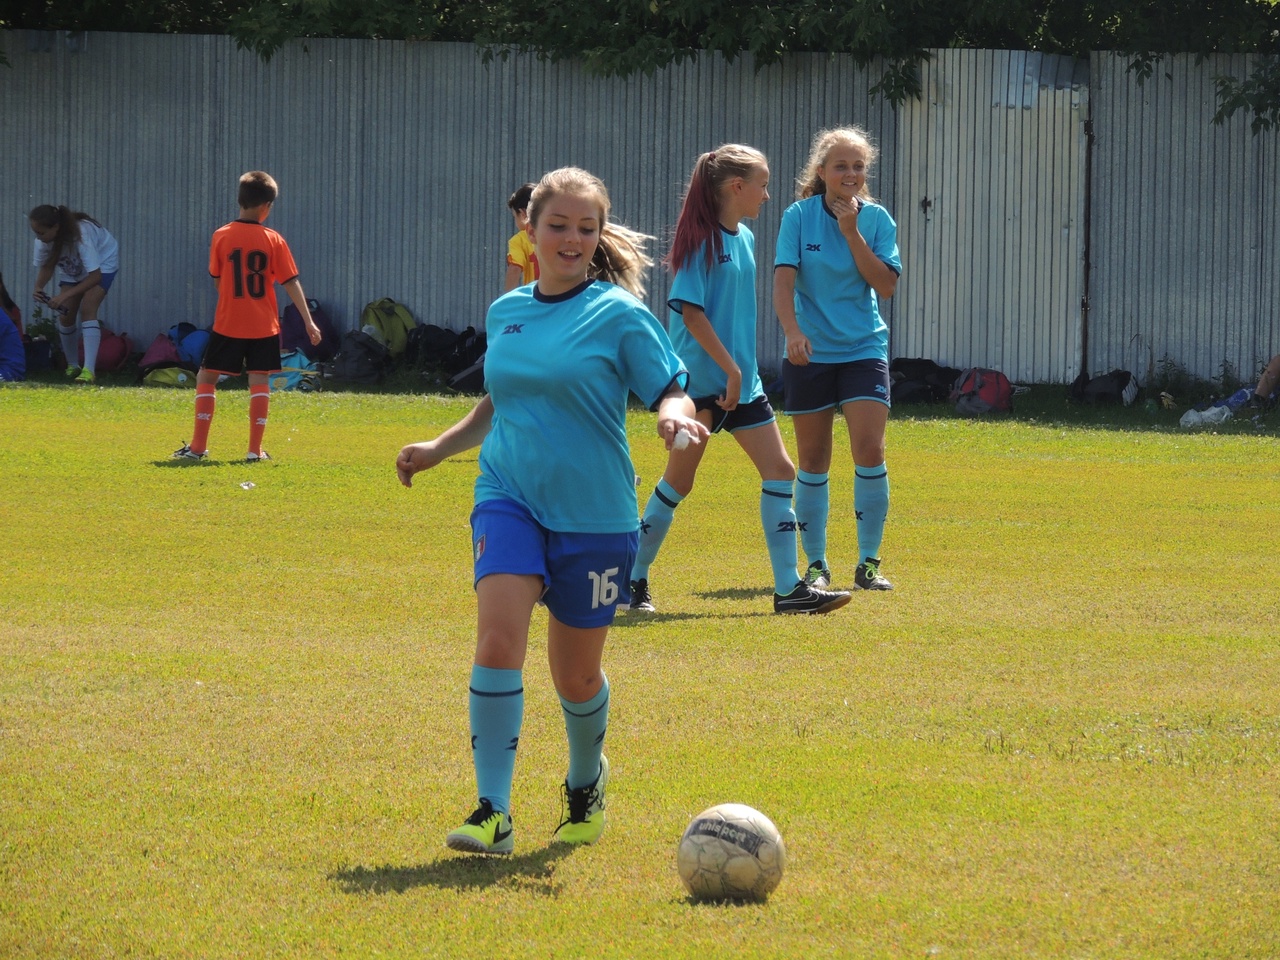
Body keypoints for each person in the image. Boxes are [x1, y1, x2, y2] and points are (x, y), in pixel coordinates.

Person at [396, 166, 707, 856]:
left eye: (585, 228)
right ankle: (492, 810)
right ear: (529, 230)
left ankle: (585, 780)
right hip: (507, 494)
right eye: (558, 225)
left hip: (594, 515)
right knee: (498, 642)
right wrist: (440, 448)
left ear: (598, 237)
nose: (571, 238)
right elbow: (502, 399)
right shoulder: (507, 312)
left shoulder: (619, 314)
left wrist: (672, 420)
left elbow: (672, 389)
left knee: (575, 676)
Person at [626, 144, 851, 617]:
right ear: (736, 187)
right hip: (699, 389)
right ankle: (633, 578)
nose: (767, 196)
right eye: (763, 185)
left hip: (742, 390)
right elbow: (690, 312)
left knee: (781, 471)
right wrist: (729, 368)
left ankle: (789, 591)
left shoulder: (745, 239)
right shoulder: (700, 241)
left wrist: (739, 375)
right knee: (676, 485)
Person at [773, 126, 902, 592]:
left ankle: (868, 563)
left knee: (869, 450)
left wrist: (851, 234)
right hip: (810, 354)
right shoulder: (798, 216)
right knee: (813, 459)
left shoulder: (877, 220)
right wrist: (792, 332)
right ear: (822, 171)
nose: (850, 174)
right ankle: (817, 564)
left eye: (858, 166)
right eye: (841, 166)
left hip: (864, 349)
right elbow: (783, 283)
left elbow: (885, 286)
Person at [173, 171, 320, 462]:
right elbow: (290, 281)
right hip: (263, 324)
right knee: (259, 380)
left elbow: (218, 279)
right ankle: (254, 451)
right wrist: (308, 320)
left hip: (229, 321)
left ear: (240, 200)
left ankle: (198, 448)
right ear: (267, 206)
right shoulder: (273, 239)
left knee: (207, 375)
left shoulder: (222, 235)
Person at [28, 204, 119, 384]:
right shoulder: (43, 241)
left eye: (41, 232)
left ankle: (89, 371)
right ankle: (72, 366)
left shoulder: (81, 236)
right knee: (66, 315)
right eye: (35, 232)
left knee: (88, 308)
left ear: (56, 227)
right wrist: (38, 286)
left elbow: (95, 277)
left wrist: (63, 296)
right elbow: (47, 265)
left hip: (102, 263)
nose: (38, 237)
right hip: (74, 266)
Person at [503, 182, 539, 292]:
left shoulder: (519, 240)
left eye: (515, 217)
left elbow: (514, 269)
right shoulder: (555, 234)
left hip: (535, 299)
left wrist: (508, 301)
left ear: (523, 214)